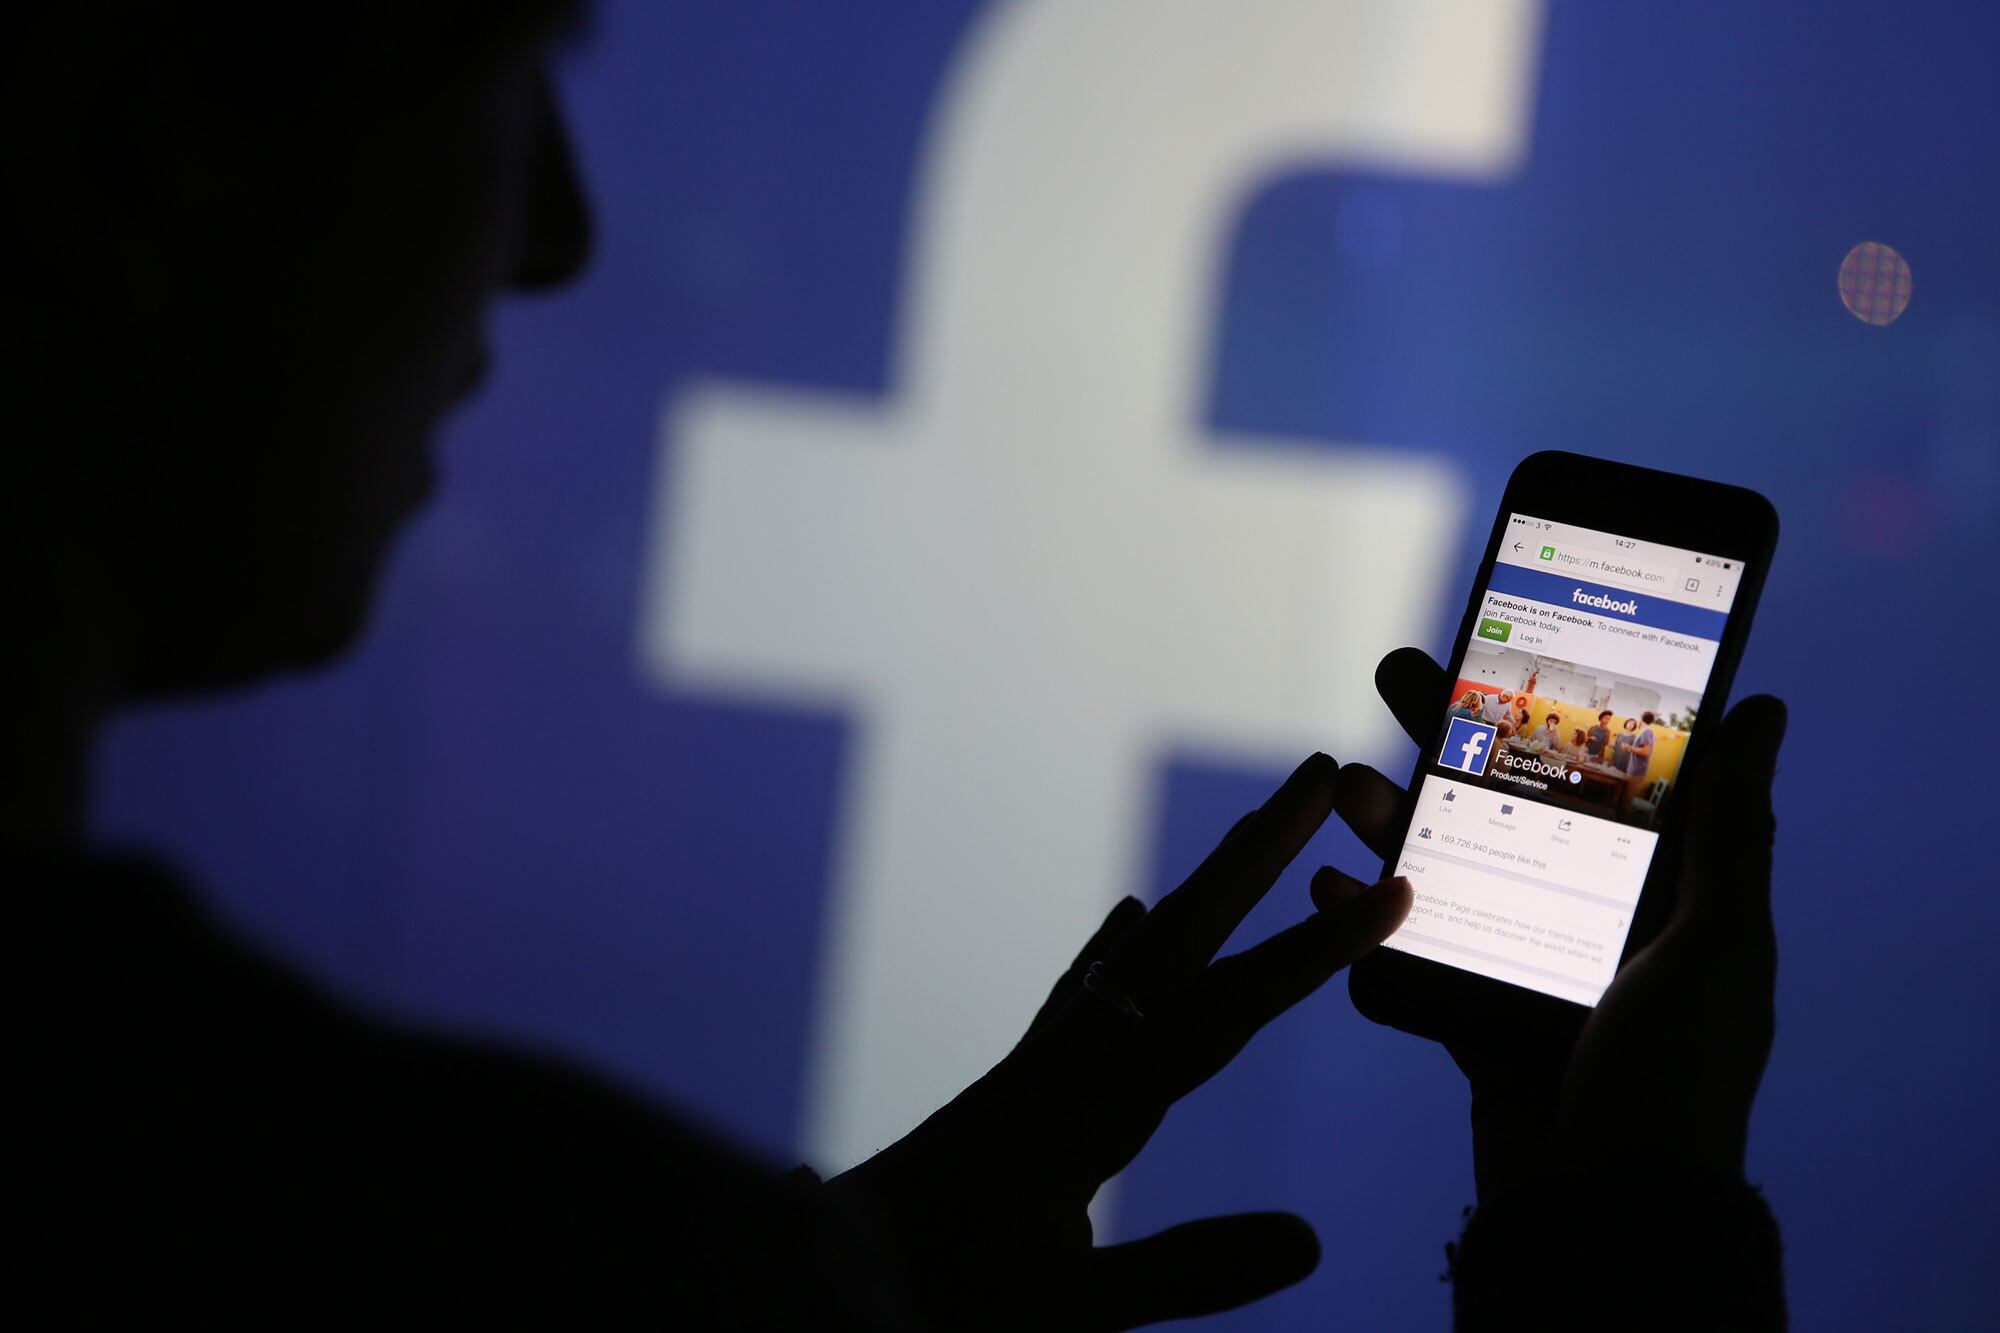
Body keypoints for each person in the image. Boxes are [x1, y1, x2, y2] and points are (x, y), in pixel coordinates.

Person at [7, 6, 1788, 1328]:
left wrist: (864, 1283)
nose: (557, 226)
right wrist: (1630, 1219)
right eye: (496, 50)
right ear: (135, 134)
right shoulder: (531, 1249)